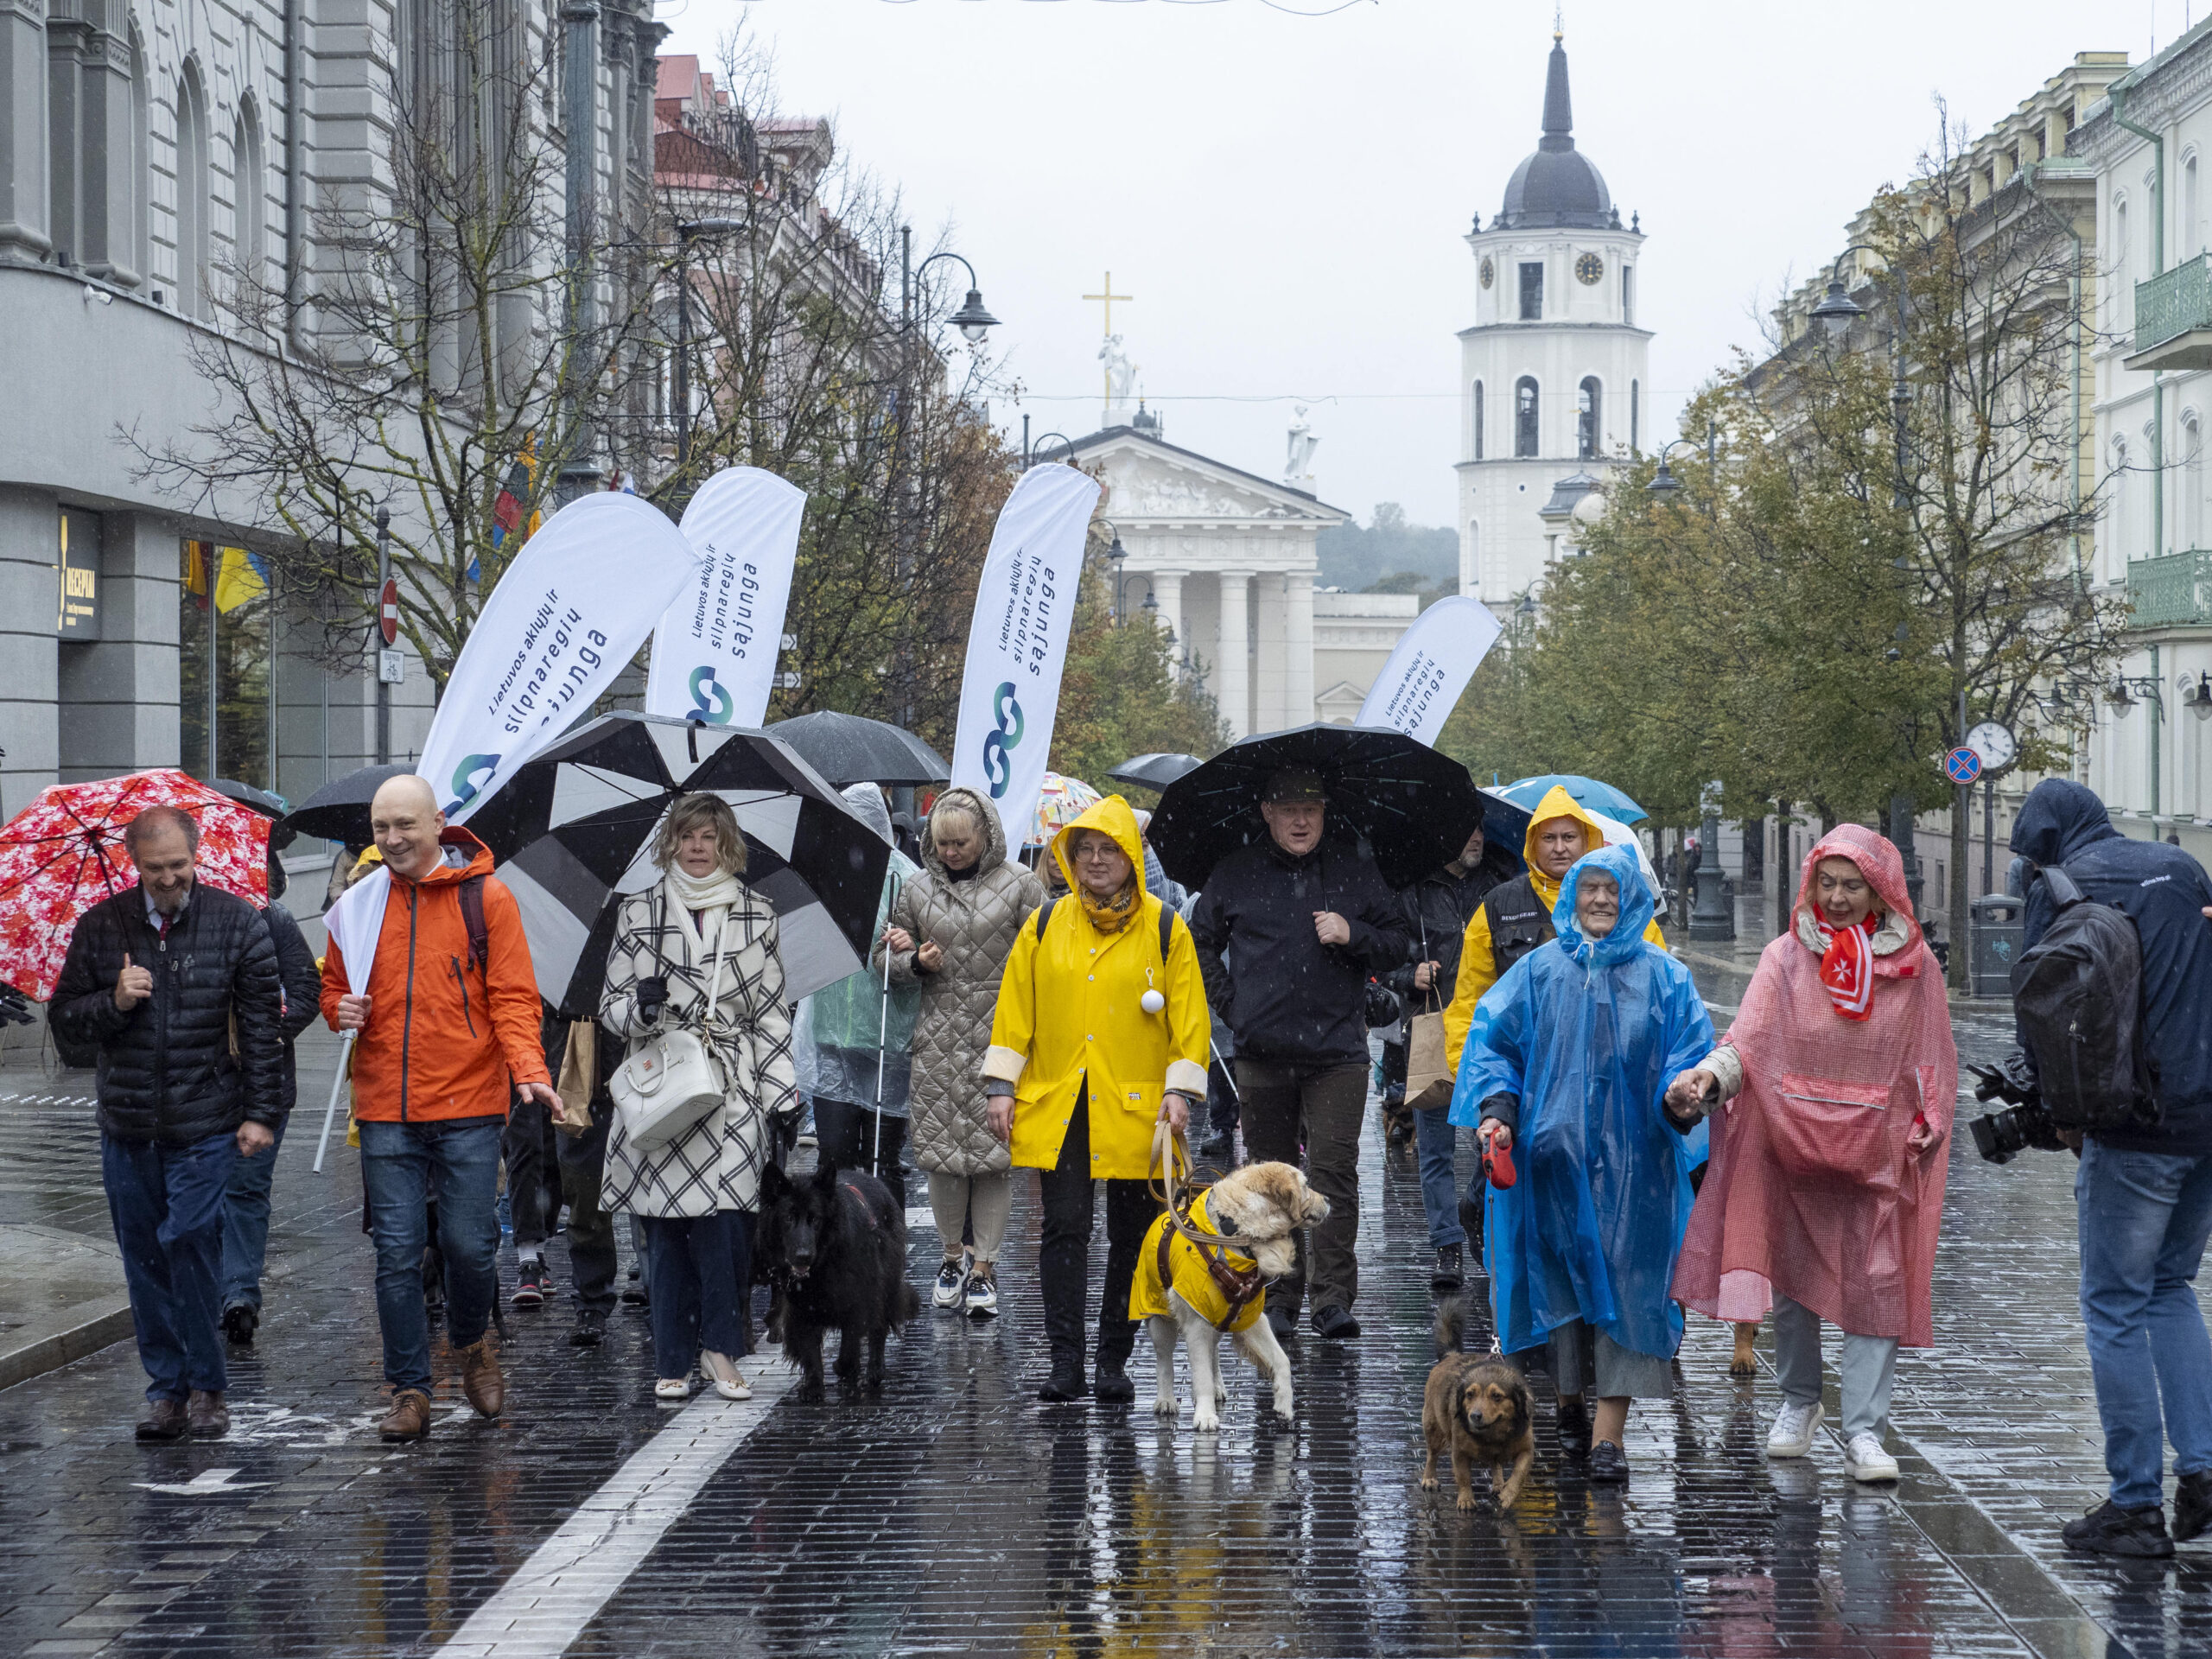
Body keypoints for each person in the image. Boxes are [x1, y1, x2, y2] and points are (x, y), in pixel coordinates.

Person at [1669, 826, 1956, 1486]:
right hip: (1792, 1146)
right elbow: (1751, 1040)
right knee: (1794, 1281)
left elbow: (1933, 1053)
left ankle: (1865, 1432)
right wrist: (1711, 1079)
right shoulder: (1785, 959)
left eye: (1851, 884)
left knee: (1876, 1283)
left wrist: (1931, 1118)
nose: (1836, 896)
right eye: (1826, 883)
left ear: (1880, 890)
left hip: (1876, 1152)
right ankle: (1799, 1403)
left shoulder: (1916, 969)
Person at [1452, 843, 1714, 1484]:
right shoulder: (1538, 972)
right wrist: (1498, 1112)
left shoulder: (1666, 977)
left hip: (1638, 1174)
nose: (1600, 900)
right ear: (1572, 896)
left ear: (1632, 899)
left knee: (1630, 1293)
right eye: (1588, 888)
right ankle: (1568, 1402)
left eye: (1611, 889)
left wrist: (1685, 1096)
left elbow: (1693, 1057)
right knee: (1560, 1287)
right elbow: (1496, 1048)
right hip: (1552, 1168)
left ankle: (1608, 1440)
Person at [2009, 780, 2212, 1558]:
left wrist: (2061, 1112)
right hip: (2205, 1119)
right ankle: (2202, 1478)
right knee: (2170, 1288)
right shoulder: (2181, 866)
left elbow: (2043, 1013)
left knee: (2115, 1305)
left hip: (2131, 1124)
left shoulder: (2060, 886)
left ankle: (2134, 1506)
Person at [321, 776, 557, 1443]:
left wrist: (530, 1073)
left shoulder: (488, 897)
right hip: (386, 1110)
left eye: (405, 825)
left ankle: (473, 1344)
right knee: (397, 1254)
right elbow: (334, 988)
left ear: (437, 824)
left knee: (469, 1245)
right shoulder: (357, 906)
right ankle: (410, 1391)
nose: (393, 839)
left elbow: (513, 997)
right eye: (381, 828)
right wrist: (335, 1008)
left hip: (469, 1105)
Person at [51, 804, 283, 1441]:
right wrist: (115, 1001)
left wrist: (262, 1113)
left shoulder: (237, 924)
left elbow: (265, 1029)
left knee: (189, 1238)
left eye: (178, 865)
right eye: (155, 868)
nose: (168, 878)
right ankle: (167, 1391)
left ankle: (208, 1385)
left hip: (205, 1122)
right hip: (126, 1126)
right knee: (145, 1261)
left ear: (197, 855)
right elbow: (66, 1030)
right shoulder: (102, 928)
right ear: (135, 863)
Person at [982, 795, 1211, 1401]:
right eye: (1087, 849)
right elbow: (1015, 1009)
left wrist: (1180, 1092)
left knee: (1133, 1233)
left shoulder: (1166, 927)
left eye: (1110, 849)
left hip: (1140, 1107)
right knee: (1064, 1227)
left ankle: (1113, 1359)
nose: (1098, 860)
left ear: (1132, 858)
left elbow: (1190, 1020)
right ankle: (1066, 1361)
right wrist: (1002, 1086)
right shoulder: (1044, 923)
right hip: (1062, 1103)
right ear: (1070, 857)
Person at [1188, 770, 1410, 1342]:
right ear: (1266, 811)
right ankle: (1280, 1294)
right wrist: (1231, 1005)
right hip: (1261, 1052)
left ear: (1324, 809)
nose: (1301, 819)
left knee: (1334, 1172)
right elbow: (1200, 937)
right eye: (1288, 808)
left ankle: (1333, 1298)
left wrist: (1352, 931)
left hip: (1338, 1050)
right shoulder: (1236, 872)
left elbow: (1395, 939)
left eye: (1311, 807)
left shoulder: (1352, 868)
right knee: (1269, 1180)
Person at [601, 793, 797, 1403]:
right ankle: (673, 1357)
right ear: (671, 842)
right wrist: (643, 1007)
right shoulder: (639, 912)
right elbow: (609, 1009)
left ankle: (720, 1346)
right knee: (663, 1231)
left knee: (728, 1227)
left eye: (709, 836)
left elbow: (770, 1013)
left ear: (726, 842)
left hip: (732, 1087)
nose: (697, 846)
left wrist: (783, 1094)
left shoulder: (757, 913)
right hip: (664, 1083)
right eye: (687, 835)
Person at [879, 787, 1047, 1319]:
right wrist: (915, 963)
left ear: (986, 836)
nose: (951, 852)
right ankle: (952, 1256)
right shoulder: (914, 888)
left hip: (1004, 1042)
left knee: (995, 1160)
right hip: (937, 1043)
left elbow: (1047, 958)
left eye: (961, 842)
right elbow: (882, 963)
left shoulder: (1022, 885)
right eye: (942, 842)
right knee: (943, 1162)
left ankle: (985, 1269)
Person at [1442, 785, 1668, 1080]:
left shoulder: (1620, 899)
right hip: (1522, 1074)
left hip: (1608, 1073)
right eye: (1549, 838)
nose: (1559, 848)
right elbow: (1472, 996)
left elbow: (1660, 987)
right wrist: (1470, 1072)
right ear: (1533, 843)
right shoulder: (1498, 905)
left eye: (1569, 837)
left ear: (1586, 840)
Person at [1382, 821, 1515, 1292]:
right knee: (1435, 1147)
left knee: (1496, 1139)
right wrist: (1407, 974)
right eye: (1464, 830)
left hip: (1491, 1032)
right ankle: (1447, 1245)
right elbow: (1383, 956)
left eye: (1479, 830)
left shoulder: (1502, 888)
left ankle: (1473, 1206)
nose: (1473, 837)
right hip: (1433, 1028)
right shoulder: (1412, 892)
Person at [218, 849, 323, 1345]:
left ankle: (238, 1292)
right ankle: (210, 1287)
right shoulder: (171, 927)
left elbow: (306, 989)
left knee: (244, 1188)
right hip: (193, 1089)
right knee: (200, 1192)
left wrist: (262, 1031)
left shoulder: (271, 918)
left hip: (262, 1087)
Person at [801, 785, 922, 1208]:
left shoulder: (906, 882)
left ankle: (885, 1249)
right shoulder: (824, 878)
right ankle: (841, 1245)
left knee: (883, 1161)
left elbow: (927, 955)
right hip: (831, 1036)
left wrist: (909, 943)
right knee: (834, 1157)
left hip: (887, 1040)